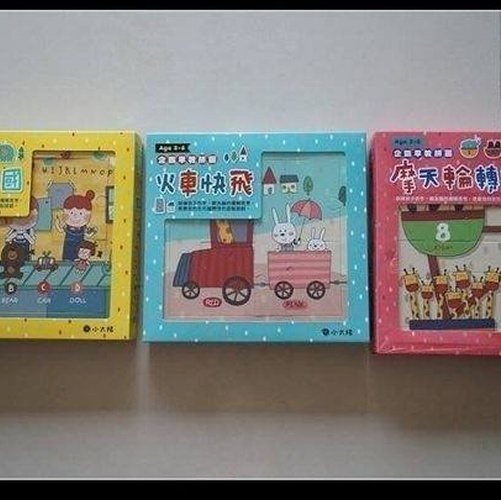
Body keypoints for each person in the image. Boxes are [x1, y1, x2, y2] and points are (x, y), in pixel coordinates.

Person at [55, 190, 96, 261]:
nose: (75, 216)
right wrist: (56, 223)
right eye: (71, 213)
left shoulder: (84, 228)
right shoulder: (67, 227)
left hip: (80, 247)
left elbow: (88, 235)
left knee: (79, 259)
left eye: (80, 213)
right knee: (67, 259)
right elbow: (60, 230)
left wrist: (93, 232)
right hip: (68, 246)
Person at [5, 196, 39, 260]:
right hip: (14, 253)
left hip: (25, 252)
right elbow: (7, 239)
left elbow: (32, 242)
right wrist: (13, 235)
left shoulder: (29, 230)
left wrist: (26, 235)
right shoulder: (13, 230)